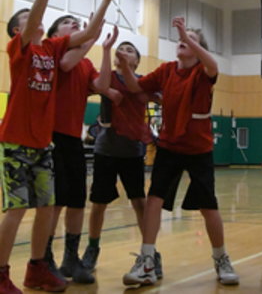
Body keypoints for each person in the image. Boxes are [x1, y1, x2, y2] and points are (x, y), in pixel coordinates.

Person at [0, 0, 125, 294]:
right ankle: (1, 273)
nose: (36, 20)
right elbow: (33, 23)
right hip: (16, 140)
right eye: (27, 18)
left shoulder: (53, 50)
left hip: (43, 143)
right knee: (17, 209)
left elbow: (91, 33)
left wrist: (106, 0)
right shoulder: (18, 49)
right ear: (18, 31)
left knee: (46, 207)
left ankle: (37, 269)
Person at [119, 17, 239, 287]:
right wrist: (126, 66)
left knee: (208, 206)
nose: (182, 41)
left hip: (198, 148)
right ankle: (147, 261)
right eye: (181, 39)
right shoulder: (166, 70)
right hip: (169, 146)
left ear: (199, 48)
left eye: (191, 40)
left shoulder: (203, 72)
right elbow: (135, 87)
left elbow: (213, 65)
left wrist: (187, 35)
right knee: (154, 199)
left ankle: (221, 258)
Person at [45, 16, 120, 284]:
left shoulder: (86, 62)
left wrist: (106, 50)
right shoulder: (52, 52)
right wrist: (90, 37)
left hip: (72, 140)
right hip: (51, 136)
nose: (75, 23)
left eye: (77, 21)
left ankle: (70, 258)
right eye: (68, 22)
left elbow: (102, 86)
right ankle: (44, 258)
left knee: (77, 200)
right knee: (55, 202)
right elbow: (66, 64)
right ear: (56, 33)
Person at [81, 40, 163, 279]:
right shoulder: (107, 77)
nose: (124, 51)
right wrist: (107, 51)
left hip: (132, 151)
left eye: (130, 50)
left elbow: (159, 96)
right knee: (98, 203)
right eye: (122, 49)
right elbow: (98, 85)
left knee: (139, 203)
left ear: (137, 61)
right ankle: (92, 248)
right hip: (106, 149)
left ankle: (150, 253)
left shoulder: (141, 81)